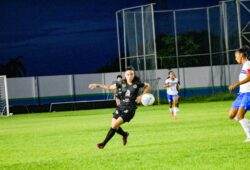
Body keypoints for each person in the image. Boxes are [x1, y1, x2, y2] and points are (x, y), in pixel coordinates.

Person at [88, 67, 150, 149]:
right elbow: (110, 87)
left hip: (130, 109)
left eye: (131, 74)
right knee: (114, 126)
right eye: (128, 74)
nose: (130, 76)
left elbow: (147, 86)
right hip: (120, 107)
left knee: (114, 126)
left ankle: (103, 143)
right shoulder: (122, 83)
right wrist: (97, 85)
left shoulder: (137, 83)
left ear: (134, 75)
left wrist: (141, 95)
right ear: (125, 75)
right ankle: (124, 134)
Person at [228, 45, 250, 142]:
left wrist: (236, 84)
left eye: (236, 56)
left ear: (241, 55)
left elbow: (249, 77)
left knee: (240, 116)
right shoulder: (244, 66)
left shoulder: (248, 64)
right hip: (241, 94)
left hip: (248, 94)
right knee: (231, 115)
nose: (235, 58)